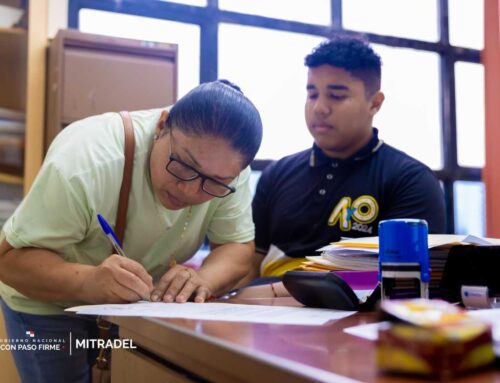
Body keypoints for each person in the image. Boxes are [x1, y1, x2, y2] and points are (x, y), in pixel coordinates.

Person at [0, 79, 263, 382]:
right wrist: (89, 281)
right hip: (45, 304)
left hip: (128, 302)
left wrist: (201, 279)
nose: (190, 189)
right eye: (183, 165)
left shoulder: (228, 171)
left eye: (213, 182)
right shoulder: (87, 159)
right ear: (162, 125)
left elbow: (237, 247)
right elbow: (9, 260)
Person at [238, 35, 446, 298]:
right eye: (312, 94)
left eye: (336, 96)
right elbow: (246, 267)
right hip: (261, 317)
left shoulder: (411, 180)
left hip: (356, 324)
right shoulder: (277, 175)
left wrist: (272, 293)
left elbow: (404, 284)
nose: (319, 107)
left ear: (375, 103)